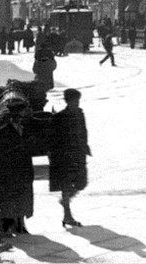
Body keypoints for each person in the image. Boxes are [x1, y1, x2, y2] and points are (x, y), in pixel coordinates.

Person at [0, 99, 34, 244]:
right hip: (8, 173)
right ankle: (2, 232)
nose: (20, 118)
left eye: (21, 115)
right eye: (17, 115)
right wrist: (2, 170)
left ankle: (19, 227)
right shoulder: (4, 132)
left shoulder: (24, 130)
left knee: (20, 200)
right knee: (4, 202)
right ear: (12, 116)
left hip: (21, 172)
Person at [49, 89, 91, 228]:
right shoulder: (60, 117)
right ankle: (67, 215)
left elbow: (84, 131)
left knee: (82, 183)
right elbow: (53, 139)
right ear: (68, 101)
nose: (77, 104)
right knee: (66, 185)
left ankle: (65, 202)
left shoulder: (80, 114)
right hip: (65, 156)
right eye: (75, 101)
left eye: (78, 101)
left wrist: (85, 146)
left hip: (79, 154)